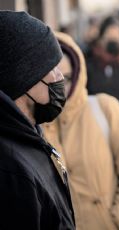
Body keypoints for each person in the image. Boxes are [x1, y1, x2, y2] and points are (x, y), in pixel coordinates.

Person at [41, 32, 119, 230]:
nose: (59, 87)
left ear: (76, 74)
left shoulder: (105, 108)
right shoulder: (32, 126)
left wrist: (118, 220)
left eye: (65, 78)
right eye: (50, 80)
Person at [0, 11, 75, 229]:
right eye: (51, 67)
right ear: (23, 78)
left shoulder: (30, 136)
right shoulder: (10, 168)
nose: (60, 76)